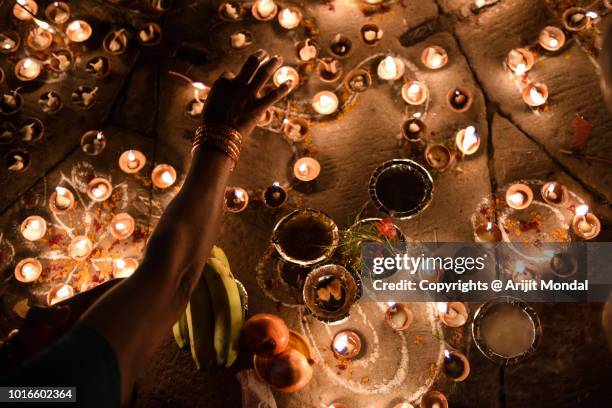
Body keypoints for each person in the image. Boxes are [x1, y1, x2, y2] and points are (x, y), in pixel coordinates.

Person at [0, 50, 291, 406]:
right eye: (11, 353)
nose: (32, 316)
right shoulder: (49, 392)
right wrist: (220, 134)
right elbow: (173, 279)